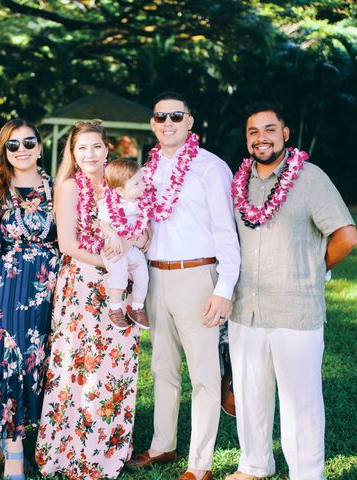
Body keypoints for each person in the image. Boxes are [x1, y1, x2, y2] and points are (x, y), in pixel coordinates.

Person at [225, 103, 357, 480]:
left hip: (295, 309)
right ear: (246, 138)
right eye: (253, 131)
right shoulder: (240, 183)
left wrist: (316, 268)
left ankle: (306, 473)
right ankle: (254, 465)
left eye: (270, 129)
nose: (261, 137)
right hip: (245, 308)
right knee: (250, 396)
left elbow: (347, 236)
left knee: (300, 401)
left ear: (285, 133)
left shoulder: (310, 178)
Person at [127, 92, 241, 480]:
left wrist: (224, 288)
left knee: (204, 375)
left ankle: (200, 463)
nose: (168, 122)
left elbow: (228, 234)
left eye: (176, 115)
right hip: (156, 275)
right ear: (152, 124)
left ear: (190, 121)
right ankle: (163, 444)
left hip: (198, 276)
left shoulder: (211, 168)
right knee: (162, 367)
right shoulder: (148, 170)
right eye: (160, 117)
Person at [36, 121, 145, 480]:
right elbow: (67, 244)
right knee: (78, 365)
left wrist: (132, 252)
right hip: (82, 287)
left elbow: (141, 230)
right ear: (73, 153)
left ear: (107, 149)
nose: (90, 154)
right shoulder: (68, 187)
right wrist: (112, 265)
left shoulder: (121, 184)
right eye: (82, 148)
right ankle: (68, 450)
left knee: (114, 367)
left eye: (96, 146)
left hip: (120, 287)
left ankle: (110, 449)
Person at [0, 119, 59, 480]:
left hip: (55, 288)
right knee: (13, 364)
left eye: (29, 142)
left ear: (40, 146)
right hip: (10, 288)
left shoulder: (60, 188)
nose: (22, 149)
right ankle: (13, 450)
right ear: (3, 152)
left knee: (46, 364)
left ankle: (45, 438)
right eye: (13, 145)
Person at [97, 158, 150, 330]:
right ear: (120, 190)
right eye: (136, 183)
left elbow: (145, 231)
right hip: (115, 248)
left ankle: (137, 308)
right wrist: (112, 234)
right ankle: (115, 309)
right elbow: (103, 223)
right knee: (119, 273)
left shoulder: (141, 203)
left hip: (132, 248)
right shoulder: (109, 203)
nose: (143, 185)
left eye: (142, 180)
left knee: (143, 275)